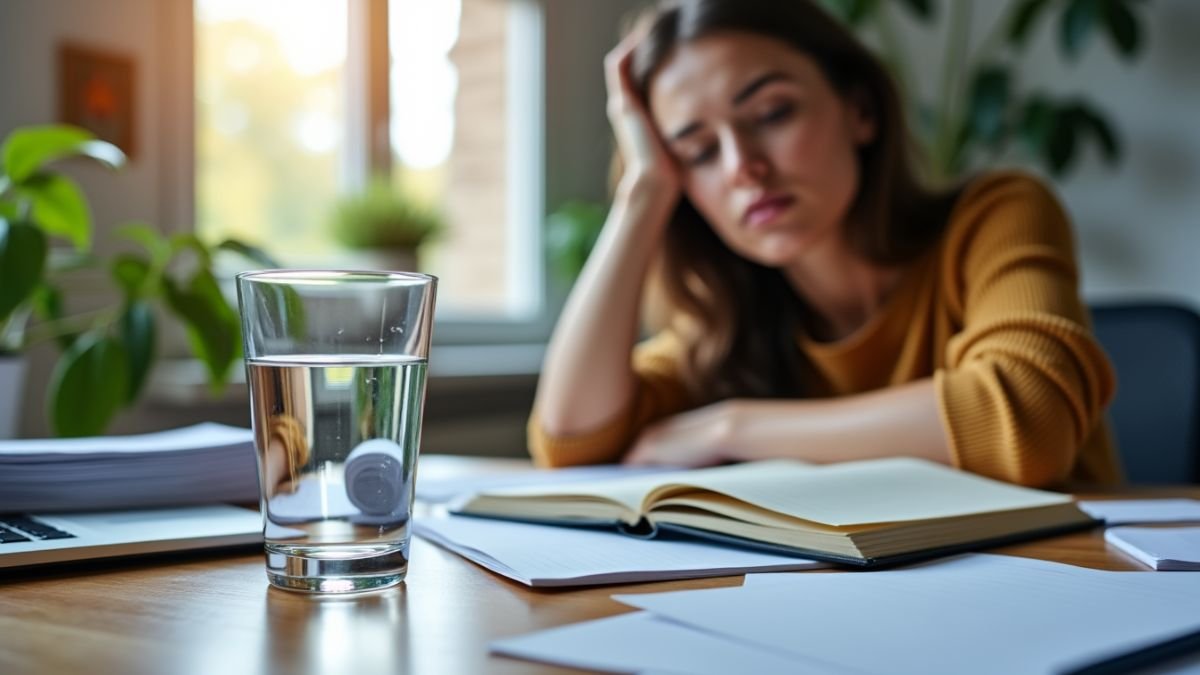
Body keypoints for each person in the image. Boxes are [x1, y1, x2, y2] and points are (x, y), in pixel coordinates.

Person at [528, 0, 1119, 487]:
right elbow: (571, 442)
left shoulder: (995, 214)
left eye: (773, 112)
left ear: (859, 110)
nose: (743, 167)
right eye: (699, 152)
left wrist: (729, 428)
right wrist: (642, 192)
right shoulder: (729, 322)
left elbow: (1028, 416)